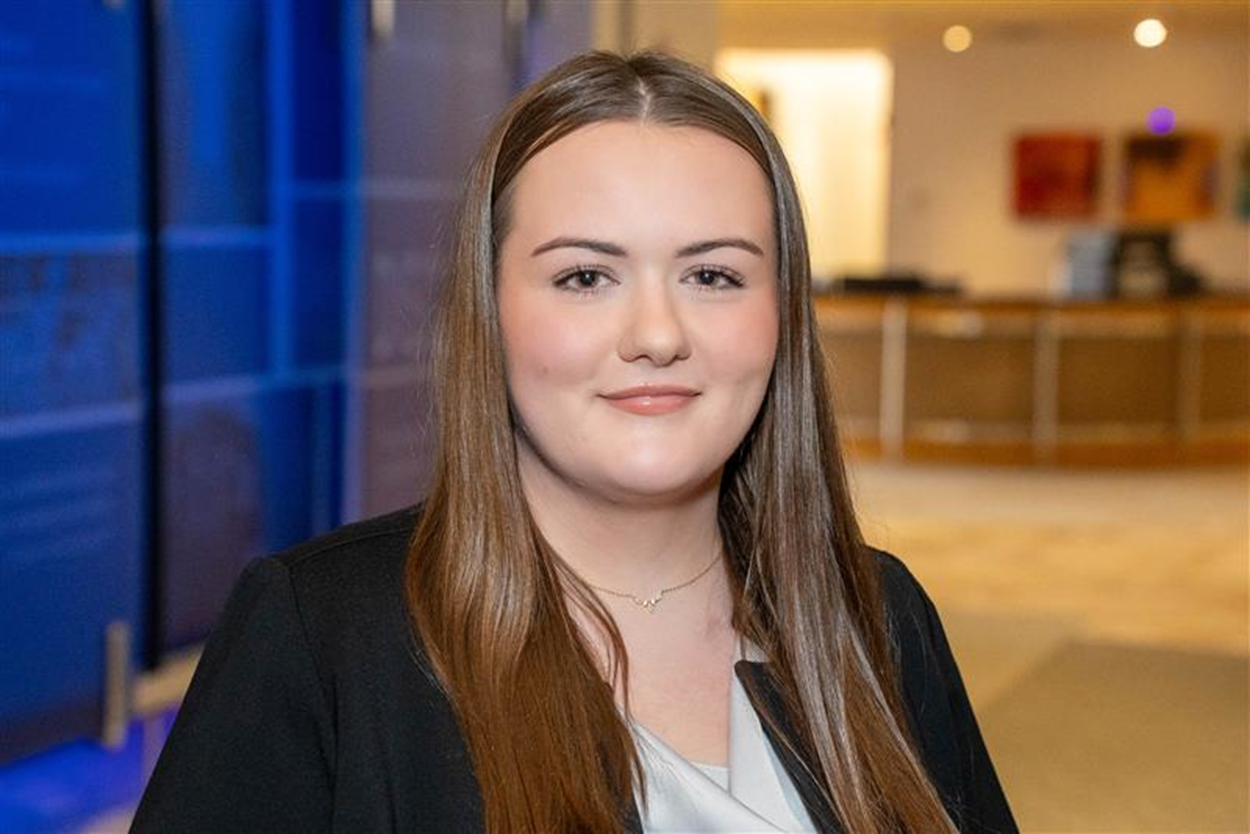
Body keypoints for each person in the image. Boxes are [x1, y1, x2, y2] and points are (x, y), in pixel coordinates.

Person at [131, 50, 1017, 834]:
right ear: (491, 311)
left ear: (782, 312)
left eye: (712, 274)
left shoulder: (877, 616)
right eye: (585, 276)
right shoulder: (321, 635)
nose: (657, 333)